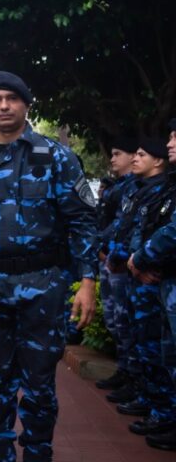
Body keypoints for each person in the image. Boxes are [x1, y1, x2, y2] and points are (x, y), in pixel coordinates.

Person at [0, 71, 97, 461]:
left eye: (11, 99)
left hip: (43, 284)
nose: (3, 106)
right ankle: (0, 452)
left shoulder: (56, 157)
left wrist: (87, 282)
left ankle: (37, 453)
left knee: (39, 382)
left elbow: (82, 221)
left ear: (26, 105)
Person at [129, 119, 176, 451]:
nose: (170, 143)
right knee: (164, 353)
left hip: (157, 275)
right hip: (160, 278)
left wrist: (140, 258)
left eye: (175, 137)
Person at [95, 137, 139, 394]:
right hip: (111, 258)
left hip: (123, 261)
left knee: (128, 322)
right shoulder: (120, 186)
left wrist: (110, 251)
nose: (112, 159)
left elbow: (125, 224)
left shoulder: (136, 187)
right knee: (116, 321)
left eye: (117, 153)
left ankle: (135, 378)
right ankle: (125, 371)